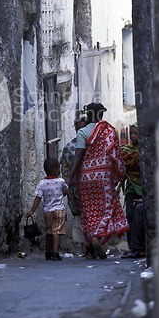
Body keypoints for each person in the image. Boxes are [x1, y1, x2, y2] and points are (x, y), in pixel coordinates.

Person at [66, 102, 130, 260]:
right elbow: (116, 156)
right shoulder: (109, 131)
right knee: (107, 209)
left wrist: (70, 177)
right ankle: (98, 238)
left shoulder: (82, 132)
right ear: (102, 115)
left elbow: (78, 155)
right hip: (104, 177)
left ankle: (89, 250)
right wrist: (120, 175)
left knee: (88, 213)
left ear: (88, 115)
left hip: (85, 178)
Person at [26, 158, 69, 261]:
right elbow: (66, 190)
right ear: (55, 169)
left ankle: (48, 252)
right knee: (56, 232)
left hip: (47, 211)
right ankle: (55, 253)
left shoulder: (42, 183)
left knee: (49, 231)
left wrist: (32, 210)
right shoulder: (60, 181)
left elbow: (38, 197)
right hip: (59, 210)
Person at [60, 114, 88, 216]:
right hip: (76, 193)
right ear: (76, 130)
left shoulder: (95, 145)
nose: (81, 132)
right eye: (79, 129)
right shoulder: (69, 148)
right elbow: (65, 171)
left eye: (84, 129)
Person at [121, 123, 142, 251]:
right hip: (131, 186)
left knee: (139, 216)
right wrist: (119, 186)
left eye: (136, 133)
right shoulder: (126, 150)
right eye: (131, 134)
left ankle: (139, 245)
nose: (133, 136)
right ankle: (132, 247)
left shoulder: (146, 150)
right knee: (129, 215)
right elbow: (125, 169)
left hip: (144, 186)